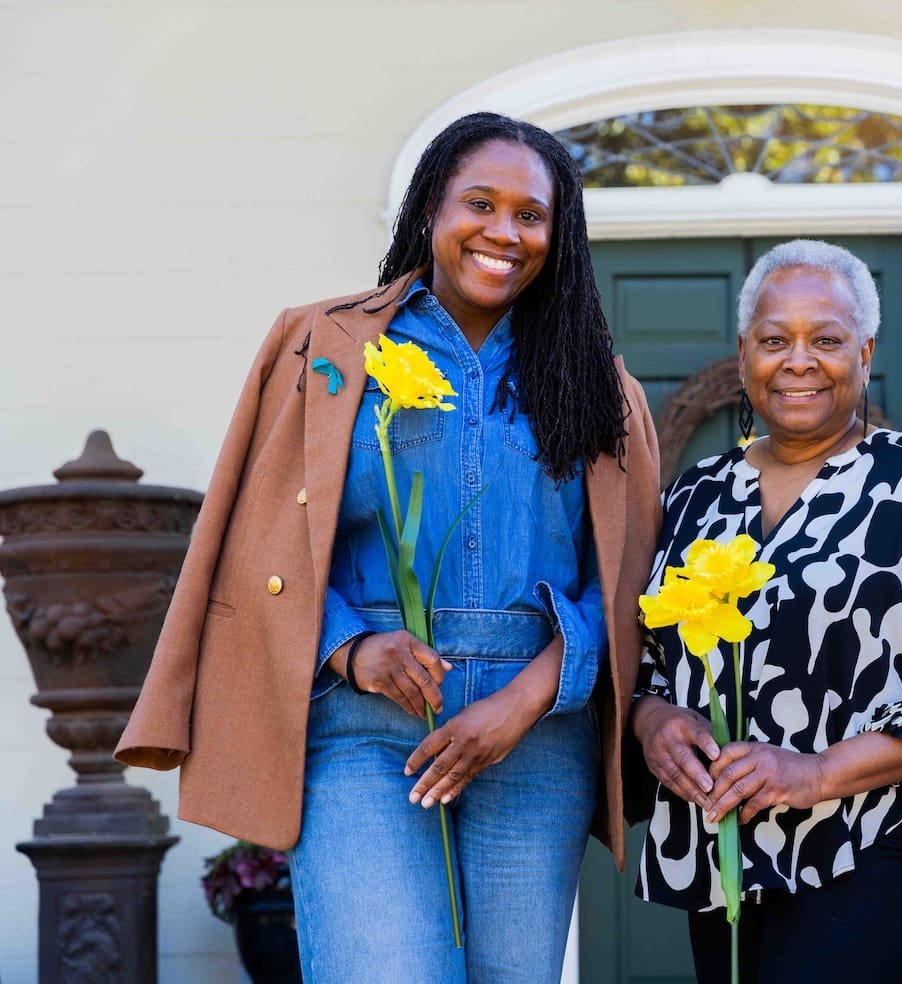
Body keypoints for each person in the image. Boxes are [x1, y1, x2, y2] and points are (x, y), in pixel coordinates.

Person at [115, 112, 662, 982]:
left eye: (532, 214)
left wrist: (526, 699)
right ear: (430, 210)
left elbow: (631, 576)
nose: (504, 232)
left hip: (535, 737)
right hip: (366, 732)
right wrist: (353, 647)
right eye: (479, 202)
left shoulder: (599, 380)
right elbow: (264, 535)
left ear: (559, 237)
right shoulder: (326, 349)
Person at [629, 239, 902, 984]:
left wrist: (819, 771)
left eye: (826, 340)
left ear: (864, 353)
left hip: (871, 836)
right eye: (774, 340)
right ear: (744, 354)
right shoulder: (698, 493)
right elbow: (643, 655)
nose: (798, 360)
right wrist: (653, 720)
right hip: (722, 846)